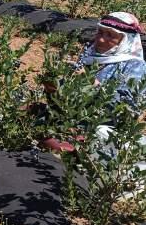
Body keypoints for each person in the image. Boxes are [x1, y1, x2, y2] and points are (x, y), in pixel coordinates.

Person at [42, 12, 146, 151]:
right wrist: (55, 87)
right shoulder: (89, 54)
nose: (101, 39)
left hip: (104, 125)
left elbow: (127, 107)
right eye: (100, 32)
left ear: (125, 40)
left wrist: (92, 83)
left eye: (110, 35)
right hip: (73, 118)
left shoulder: (134, 66)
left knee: (58, 143)